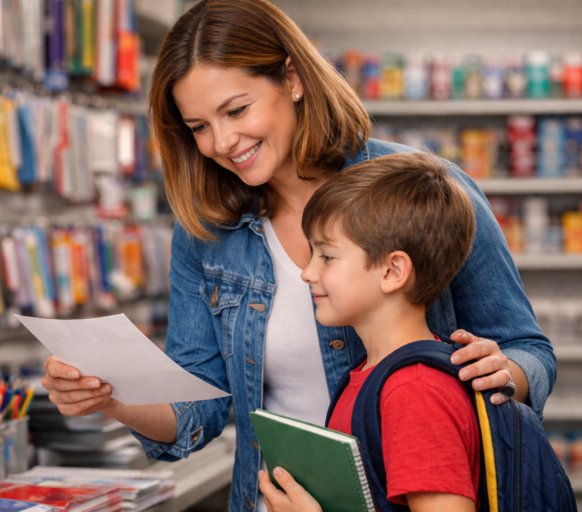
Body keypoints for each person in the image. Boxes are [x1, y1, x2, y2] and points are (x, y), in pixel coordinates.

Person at [41, 1, 556, 511]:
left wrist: (504, 372)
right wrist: (111, 398)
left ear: (292, 78)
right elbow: (200, 407)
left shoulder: (421, 191)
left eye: (236, 110)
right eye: (198, 127)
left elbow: (529, 350)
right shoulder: (205, 229)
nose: (222, 142)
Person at [259, 152, 480, 512]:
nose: (307, 273)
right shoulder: (370, 374)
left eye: (326, 256)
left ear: (393, 271)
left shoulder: (415, 393)